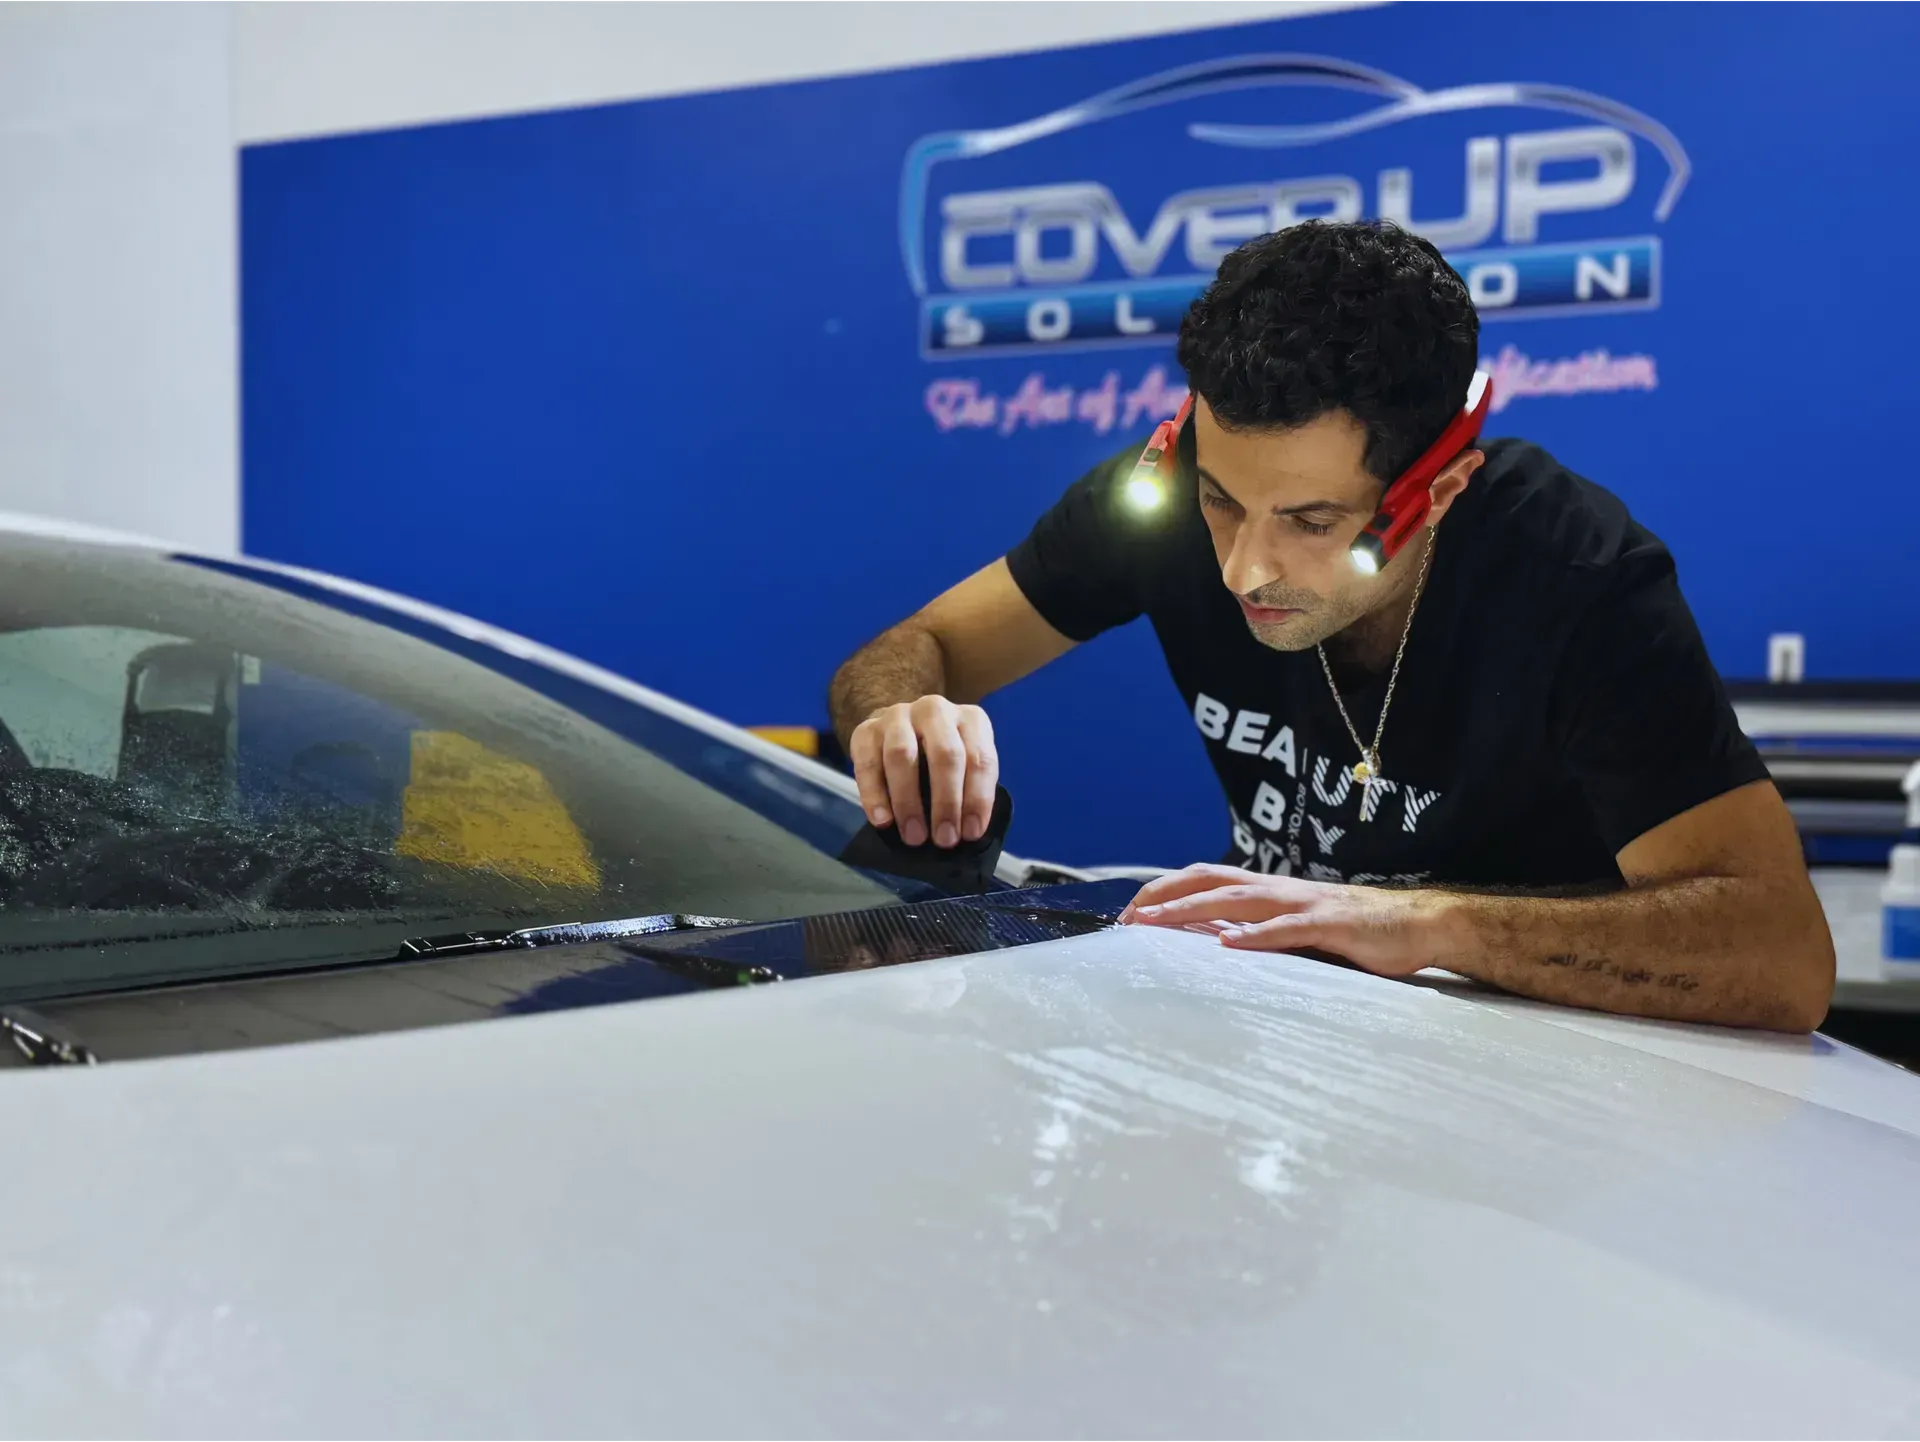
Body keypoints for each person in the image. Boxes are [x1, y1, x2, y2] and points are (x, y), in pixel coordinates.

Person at [829, 220, 1834, 1033]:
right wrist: (906, 708)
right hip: (1290, 1039)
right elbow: (911, 648)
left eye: (1312, 522)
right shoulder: (1160, 492)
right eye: (1221, 499)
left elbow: (1782, 954)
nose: (1244, 566)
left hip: (1546, 1075)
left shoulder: (1578, 576)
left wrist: (1436, 924)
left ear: (1437, 491)